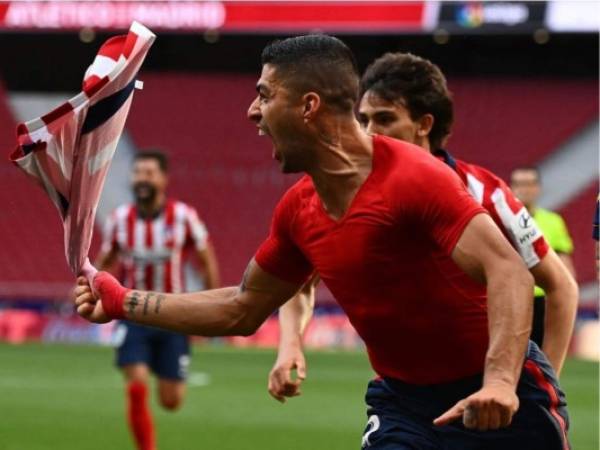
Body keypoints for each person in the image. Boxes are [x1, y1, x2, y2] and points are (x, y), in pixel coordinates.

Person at [75, 36, 569, 449]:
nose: (252, 112)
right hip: (404, 407)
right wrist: (121, 300)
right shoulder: (297, 210)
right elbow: (242, 307)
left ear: (309, 106)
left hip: (503, 399)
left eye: (265, 94)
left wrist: (501, 383)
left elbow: (508, 270)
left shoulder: (416, 178)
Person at [269, 52, 579, 403]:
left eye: (385, 119)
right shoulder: (346, 193)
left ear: (424, 124)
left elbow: (561, 287)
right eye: (364, 120)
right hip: (407, 396)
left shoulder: (484, 192)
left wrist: (545, 386)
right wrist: (290, 343)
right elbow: (299, 281)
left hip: (491, 386)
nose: (370, 132)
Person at [96, 149, 220, 450]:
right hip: (133, 313)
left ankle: (157, 363)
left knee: (171, 400)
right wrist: (95, 289)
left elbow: (207, 261)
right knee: (136, 381)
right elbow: (106, 260)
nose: (142, 179)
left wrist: (212, 314)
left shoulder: (183, 217)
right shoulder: (119, 220)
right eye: (138, 172)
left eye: (149, 173)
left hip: (172, 316)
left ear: (163, 179)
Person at [510, 166, 577, 346]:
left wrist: (568, 293)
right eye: (520, 184)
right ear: (511, 188)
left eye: (530, 183)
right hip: (510, 296)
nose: (525, 188)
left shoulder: (553, 221)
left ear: (538, 187)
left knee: (543, 357)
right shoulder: (500, 220)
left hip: (543, 299)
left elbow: (564, 263)